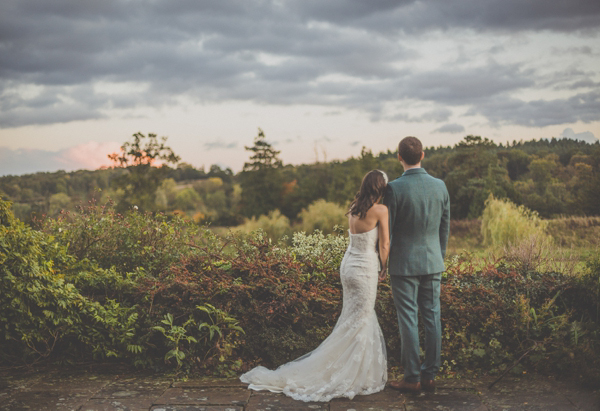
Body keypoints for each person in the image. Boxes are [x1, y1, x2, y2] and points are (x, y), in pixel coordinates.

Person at [240, 170, 390, 402]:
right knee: (360, 318)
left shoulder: (353, 208)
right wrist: (384, 266)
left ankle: (356, 370)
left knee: (352, 317)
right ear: (381, 188)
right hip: (365, 269)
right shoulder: (381, 210)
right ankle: (352, 374)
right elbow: (385, 243)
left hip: (348, 265)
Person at [383, 136, 450, 393]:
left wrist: (382, 263)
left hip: (402, 264)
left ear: (399, 157)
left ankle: (412, 378)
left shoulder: (394, 189)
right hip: (433, 261)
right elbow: (445, 227)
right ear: (422, 155)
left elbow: (387, 232)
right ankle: (430, 375)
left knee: (408, 319)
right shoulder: (440, 186)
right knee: (433, 316)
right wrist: (438, 256)